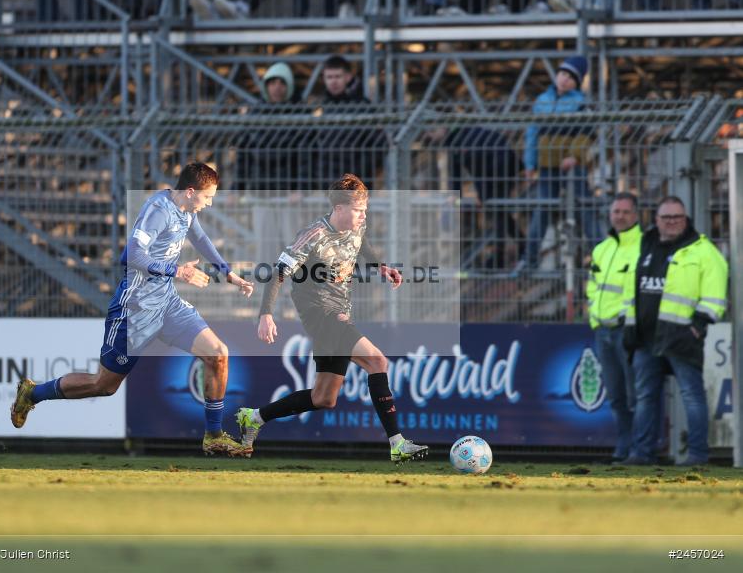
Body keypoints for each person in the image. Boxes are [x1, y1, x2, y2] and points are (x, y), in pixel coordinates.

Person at [10, 162, 256, 456]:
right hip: (135, 308)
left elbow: (201, 239)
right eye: (208, 197)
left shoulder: (186, 211)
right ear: (191, 192)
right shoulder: (158, 211)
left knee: (218, 354)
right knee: (104, 385)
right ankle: (33, 393)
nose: (209, 203)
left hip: (166, 304)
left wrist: (228, 273)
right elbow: (132, 255)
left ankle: (214, 436)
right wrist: (176, 271)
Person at [235, 174, 430, 464]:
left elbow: (360, 243)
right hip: (321, 313)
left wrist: (381, 266)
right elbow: (278, 272)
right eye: (358, 210)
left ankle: (255, 417)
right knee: (377, 361)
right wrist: (265, 314)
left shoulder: (357, 225)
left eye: (365, 209)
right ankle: (397, 443)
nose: (364, 215)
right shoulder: (313, 235)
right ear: (339, 209)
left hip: (340, 310)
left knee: (323, 397)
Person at [619, 196, 728, 466]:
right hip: (645, 338)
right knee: (646, 397)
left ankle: (698, 456)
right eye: (666, 218)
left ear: (686, 218)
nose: (672, 222)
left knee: (692, 396)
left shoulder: (703, 250)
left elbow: (716, 296)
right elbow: (628, 287)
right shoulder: (643, 245)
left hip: (681, 337)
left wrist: (698, 327)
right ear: (656, 220)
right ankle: (641, 454)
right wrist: (627, 322)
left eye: (677, 217)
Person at [517, 55, 601, 272]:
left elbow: (587, 134)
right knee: (542, 210)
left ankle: (602, 254)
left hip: (572, 166)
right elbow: (532, 134)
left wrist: (574, 155)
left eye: (570, 77)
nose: (564, 80)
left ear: (577, 82)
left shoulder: (581, 103)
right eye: (563, 74)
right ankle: (529, 259)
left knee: (584, 208)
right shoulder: (542, 101)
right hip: (547, 166)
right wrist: (530, 163)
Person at [586, 192, 642, 462]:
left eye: (625, 212)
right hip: (603, 331)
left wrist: (627, 319)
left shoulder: (644, 247)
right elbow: (592, 285)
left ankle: (640, 449)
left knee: (636, 395)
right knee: (616, 395)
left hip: (627, 331)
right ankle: (623, 447)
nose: (619, 216)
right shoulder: (602, 248)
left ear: (636, 215)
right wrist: (595, 317)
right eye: (616, 211)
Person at [432, 126, 524, 268]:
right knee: (499, 212)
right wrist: (455, 195)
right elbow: (456, 173)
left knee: (497, 210)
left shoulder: (465, 137)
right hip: (487, 172)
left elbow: (492, 159)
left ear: (443, 128)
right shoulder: (454, 142)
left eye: (433, 131)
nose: (431, 135)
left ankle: (499, 256)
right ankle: (521, 244)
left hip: (501, 168)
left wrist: (485, 192)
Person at [310, 56, 384, 190]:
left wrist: (358, 174)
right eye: (329, 77)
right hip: (325, 183)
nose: (333, 81)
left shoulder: (362, 107)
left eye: (337, 76)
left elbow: (377, 145)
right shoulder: (319, 107)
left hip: (355, 185)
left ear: (348, 77)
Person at [235, 62, 311, 192]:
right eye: (272, 83)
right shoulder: (254, 114)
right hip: (260, 189)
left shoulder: (300, 114)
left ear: (289, 87)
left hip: (289, 192)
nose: (277, 87)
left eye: (282, 83)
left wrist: (301, 189)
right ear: (266, 86)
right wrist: (236, 189)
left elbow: (305, 157)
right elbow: (243, 155)